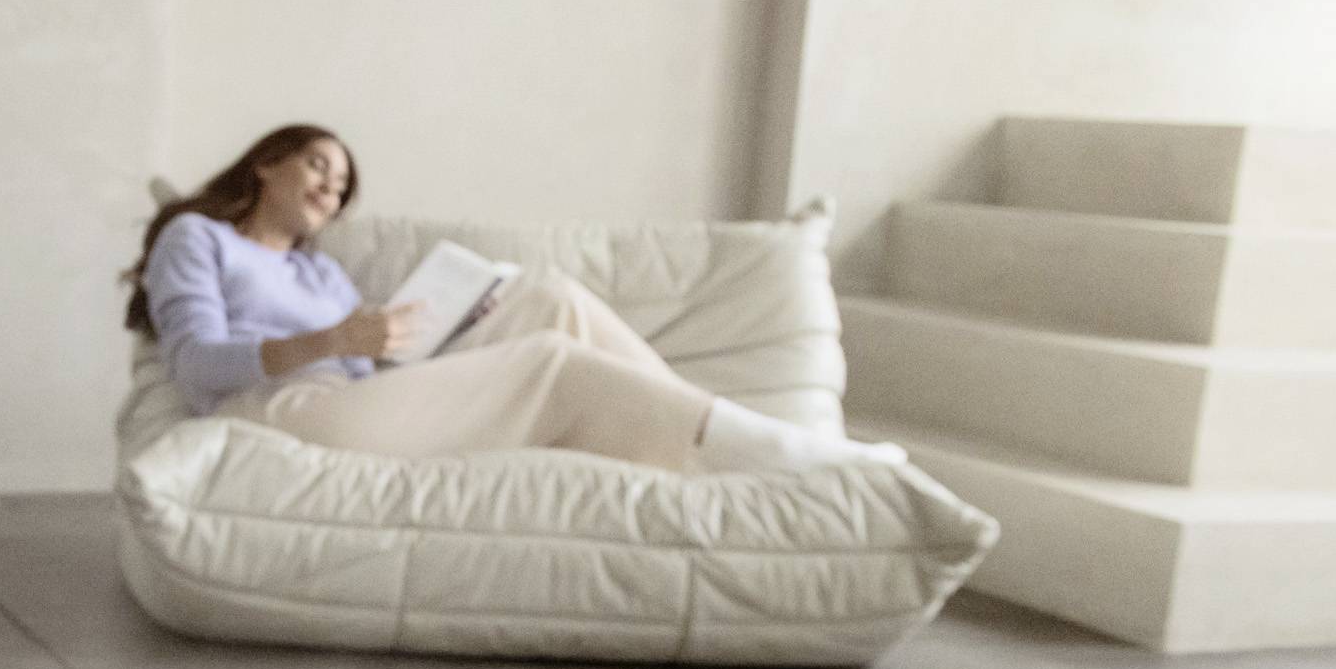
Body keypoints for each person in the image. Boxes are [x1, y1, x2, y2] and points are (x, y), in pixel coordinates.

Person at [124, 124, 906, 475]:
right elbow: (195, 367)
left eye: (342, 186)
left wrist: (431, 333)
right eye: (319, 166)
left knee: (549, 300)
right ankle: (773, 452)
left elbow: (371, 372)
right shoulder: (198, 237)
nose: (331, 188)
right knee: (550, 363)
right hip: (276, 412)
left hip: (355, 396)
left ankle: (733, 437)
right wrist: (333, 341)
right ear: (266, 163)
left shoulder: (320, 273)